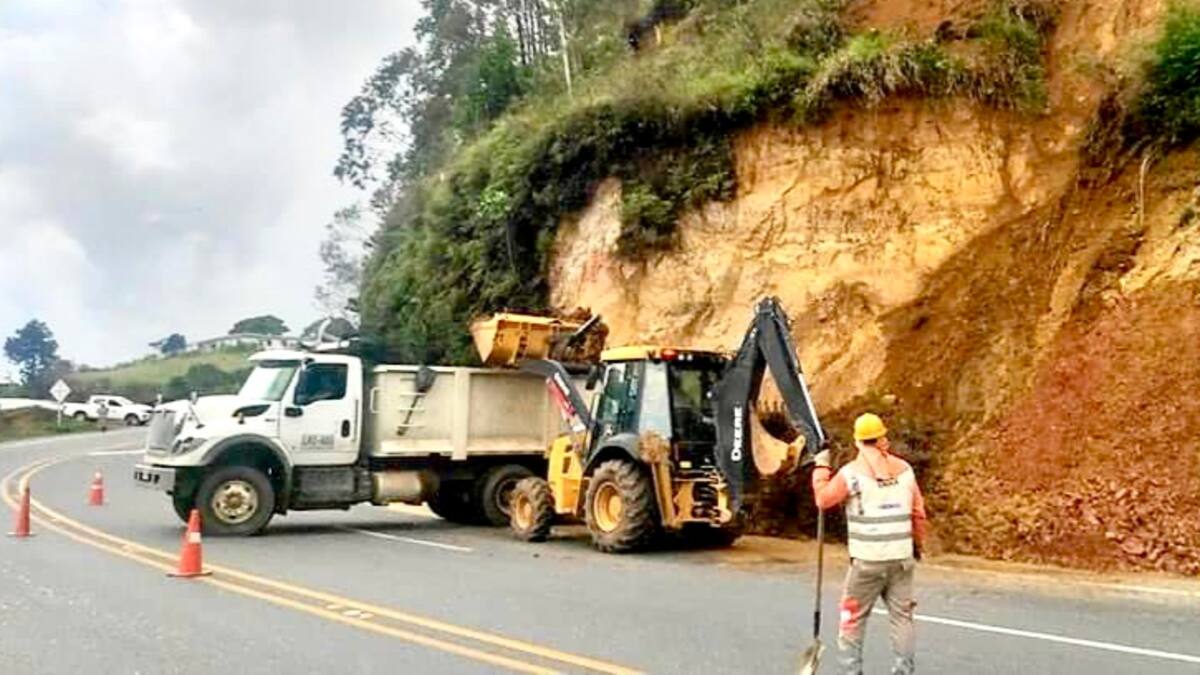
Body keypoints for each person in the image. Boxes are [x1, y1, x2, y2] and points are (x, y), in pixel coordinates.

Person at [811, 412, 928, 675]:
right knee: (903, 618)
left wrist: (821, 468)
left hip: (867, 563)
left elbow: (823, 500)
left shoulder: (851, 474)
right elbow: (918, 514)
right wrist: (917, 546)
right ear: (883, 438)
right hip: (901, 559)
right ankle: (903, 670)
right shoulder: (906, 471)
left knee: (851, 618)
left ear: (857, 441)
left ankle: (852, 671)